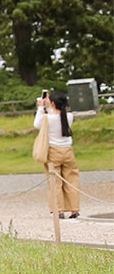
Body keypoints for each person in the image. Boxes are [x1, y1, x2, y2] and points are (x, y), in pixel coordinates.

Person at [35, 90, 80, 219]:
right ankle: (74, 209)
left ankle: (59, 209)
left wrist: (40, 107)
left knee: (55, 182)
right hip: (68, 151)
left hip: (54, 151)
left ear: (53, 103)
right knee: (72, 180)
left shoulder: (47, 118)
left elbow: (37, 124)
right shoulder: (69, 116)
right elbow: (57, 114)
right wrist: (48, 105)